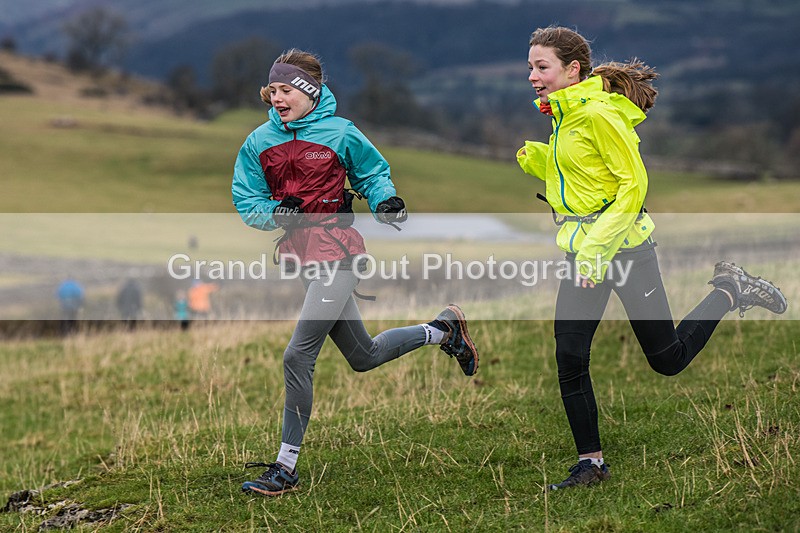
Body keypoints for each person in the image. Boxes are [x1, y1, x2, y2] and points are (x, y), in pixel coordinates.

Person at [516, 26, 787, 491]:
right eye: (530, 68)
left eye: (542, 67)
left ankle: (730, 290)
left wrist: (595, 254)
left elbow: (632, 187)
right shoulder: (563, 115)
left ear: (572, 69)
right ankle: (592, 464)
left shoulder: (598, 114)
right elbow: (591, 179)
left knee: (667, 359)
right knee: (569, 354)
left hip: (624, 251)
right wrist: (541, 160)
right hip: (584, 253)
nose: (533, 77)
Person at [231, 48, 479, 497]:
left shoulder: (341, 133)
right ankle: (444, 331)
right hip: (303, 256)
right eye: (273, 91)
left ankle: (286, 469)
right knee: (363, 356)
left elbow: (372, 173)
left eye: (286, 90)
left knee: (296, 356)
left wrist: (385, 201)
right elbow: (247, 200)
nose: (277, 99)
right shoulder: (257, 142)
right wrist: (276, 215)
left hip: (338, 254)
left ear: (309, 93)